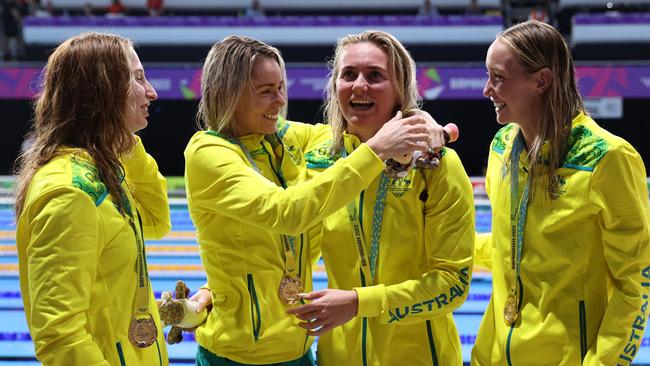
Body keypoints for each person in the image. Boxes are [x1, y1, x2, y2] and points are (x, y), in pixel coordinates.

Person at [184, 35, 440, 365]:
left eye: (280, 88)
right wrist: (376, 151)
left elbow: (352, 131)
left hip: (299, 349)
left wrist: (417, 119)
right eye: (265, 91)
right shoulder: (208, 152)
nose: (279, 101)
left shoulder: (284, 138)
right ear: (228, 94)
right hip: (237, 356)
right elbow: (286, 212)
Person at [288, 30, 475, 366]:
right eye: (349, 75)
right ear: (335, 87)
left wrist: (360, 303)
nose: (360, 85)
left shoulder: (435, 165)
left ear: (399, 89)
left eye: (375, 76)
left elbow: (453, 284)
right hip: (336, 357)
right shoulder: (316, 156)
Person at [473, 20, 650, 365]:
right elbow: (505, 246)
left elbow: (635, 282)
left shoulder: (608, 158)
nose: (486, 90)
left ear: (541, 81)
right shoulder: (502, 147)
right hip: (493, 356)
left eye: (498, 78)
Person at [14, 32, 170, 365]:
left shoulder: (102, 171)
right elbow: (60, 337)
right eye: (138, 78)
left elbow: (156, 221)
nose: (152, 92)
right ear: (104, 90)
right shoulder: (69, 193)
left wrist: (123, 140)